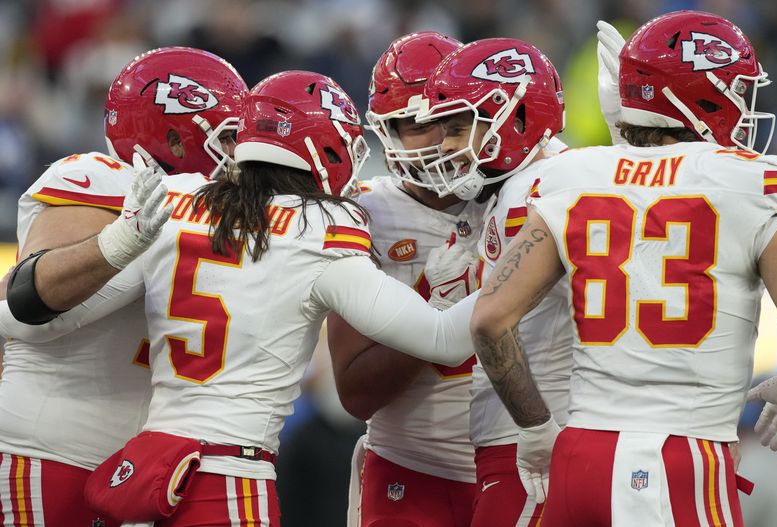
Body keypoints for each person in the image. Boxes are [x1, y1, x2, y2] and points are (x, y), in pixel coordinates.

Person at [7, 70, 477, 525]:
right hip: (229, 474)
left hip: (150, 467)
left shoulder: (177, 200)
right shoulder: (323, 228)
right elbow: (443, 340)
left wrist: (113, 246)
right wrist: (473, 283)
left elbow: (36, 312)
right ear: (326, 149)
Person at [469, 10, 777, 526]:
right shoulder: (753, 182)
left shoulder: (573, 175)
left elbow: (489, 319)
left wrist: (534, 429)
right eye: (736, 91)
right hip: (678, 458)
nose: (745, 107)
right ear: (700, 96)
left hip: (577, 455)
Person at [0, 47, 247, 526]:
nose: (238, 154)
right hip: (52, 450)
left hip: (143, 468)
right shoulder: (100, 178)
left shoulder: (217, 213)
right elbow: (24, 306)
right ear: (174, 137)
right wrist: (121, 244)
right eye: (229, 136)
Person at [326, 31, 486, 527]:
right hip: (412, 469)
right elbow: (356, 393)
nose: (440, 139)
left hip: (518, 462)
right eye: (419, 123)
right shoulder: (363, 214)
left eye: (451, 121)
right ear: (387, 129)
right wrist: (434, 311)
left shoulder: (526, 191)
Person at [413, 38, 572, 526]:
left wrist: (536, 427)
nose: (446, 147)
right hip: (529, 439)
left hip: (535, 440)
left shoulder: (539, 189)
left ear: (517, 120)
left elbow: (489, 323)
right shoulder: (531, 184)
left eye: (458, 128)